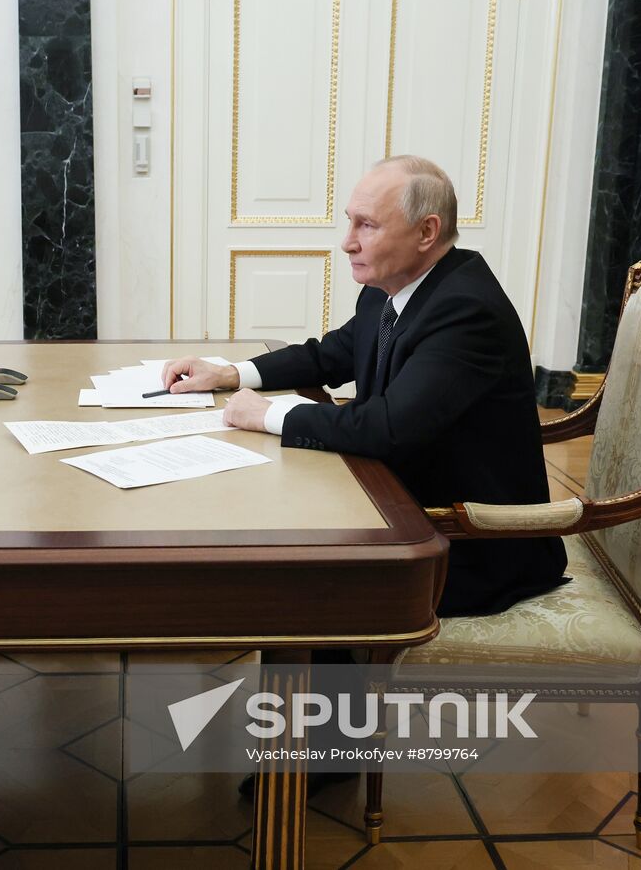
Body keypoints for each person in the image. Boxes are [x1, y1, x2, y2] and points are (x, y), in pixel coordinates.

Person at [163, 155, 567, 617]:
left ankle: (322, 686)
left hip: (465, 545)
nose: (347, 243)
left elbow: (388, 428)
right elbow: (328, 355)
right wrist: (230, 373)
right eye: (349, 223)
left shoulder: (466, 311)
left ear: (426, 232)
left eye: (367, 225)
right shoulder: (391, 286)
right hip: (398, 504)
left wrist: (268, 415)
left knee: (287, 574)